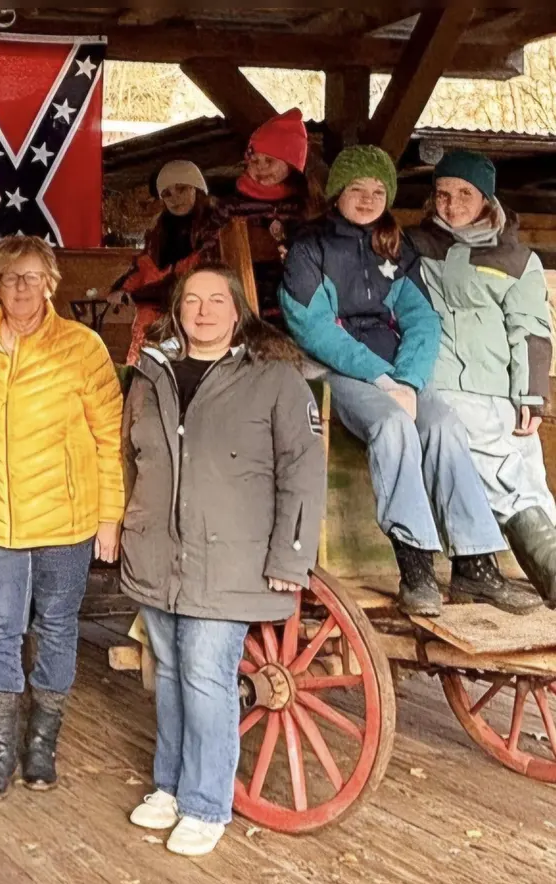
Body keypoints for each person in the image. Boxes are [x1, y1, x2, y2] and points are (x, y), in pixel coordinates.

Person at [122, 265, 326, 857]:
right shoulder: (152, 374)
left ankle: (207, 803)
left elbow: (303, 472)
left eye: (217, 300)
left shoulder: (274, 380)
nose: (204, 311)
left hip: (232, 557)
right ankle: (170, 785)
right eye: (192, 301)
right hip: (159, 552)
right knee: (168, 672)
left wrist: (291, 557)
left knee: (207, 677)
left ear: (238, 311)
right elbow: (130, 455)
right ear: (177, 311)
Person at [280, 145, 535, 616]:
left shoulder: (396, 245)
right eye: (356, 188)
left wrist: (412, 381)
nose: (367, 198)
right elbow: (311, 327)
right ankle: (415, 564)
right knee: (394, 426)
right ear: (338, 192)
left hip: (398, 374)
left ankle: (475, 564)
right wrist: (382, 380)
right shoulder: (309, 247)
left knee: (444, 427)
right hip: (337, 372)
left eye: (378, 190)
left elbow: (423, 320)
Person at [0, 235, 124, 798]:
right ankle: (0, 750)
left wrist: (109, 517)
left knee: (56, 624)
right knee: (0, 627)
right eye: (9, 278)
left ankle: (42, 745)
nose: (20, 288)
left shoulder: (82, 347)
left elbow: (108, 440)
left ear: (50, 283)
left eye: (31, 277)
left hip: (68, 519)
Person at [408, 150, 556, 606]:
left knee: (529, 476)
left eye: (464, 195)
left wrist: (531, 396)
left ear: (486, 199)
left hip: (502, 387)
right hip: (443, 384)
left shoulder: (516, 258)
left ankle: (544, 576)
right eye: (442, 194)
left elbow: (531, 326)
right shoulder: (416, 245)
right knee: (504, 476)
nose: (450, 205)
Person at [197, 109, 323, 324]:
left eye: (270, 161)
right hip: (241, 301)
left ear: (291, 164)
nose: (261, 168)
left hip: (295, 304)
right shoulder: (231, 206)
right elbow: (207, 245)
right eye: (255, 161)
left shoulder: (305, 207)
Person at [112, 160, 216, 363]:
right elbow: (143, 268)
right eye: (167, 194)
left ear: (197, 189)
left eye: (181, 189)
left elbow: (188, 284)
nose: (175, 198)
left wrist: (134, 296)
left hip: (196, 325)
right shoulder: (159, 232)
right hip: (155, 328)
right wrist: (121, 288)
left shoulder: (214, 229)